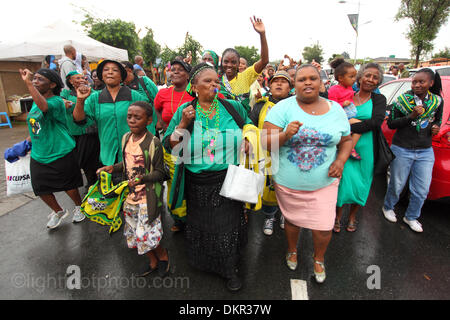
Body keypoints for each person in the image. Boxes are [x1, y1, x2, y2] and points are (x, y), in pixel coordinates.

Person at [163, 63, 253, 291]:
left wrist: (248, 138)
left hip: (228, 178)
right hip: (198, 183)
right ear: (194, 87)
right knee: (203, 225)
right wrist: (183, 124)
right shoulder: (185, 110)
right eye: (208, 81)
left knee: (226, 226)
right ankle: (206, 261)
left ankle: (230, 268)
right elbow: (171, 145)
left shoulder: (232, 107)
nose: (214, 85)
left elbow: (249, 124)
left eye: (216, 81)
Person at [262, 64, 352, 283]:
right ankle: (292, 250)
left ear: (321, 83)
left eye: (313, 78)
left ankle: (319, 258)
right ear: (295, 85)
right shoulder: (282, 108)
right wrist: (284, 135)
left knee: (323, 226)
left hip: (325, 182)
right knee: (292, 222)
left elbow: (346, 140)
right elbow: (265, 142)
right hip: (288, 183)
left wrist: (340, 160)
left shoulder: (336, 109)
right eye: (302, 79)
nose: (308, 82)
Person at [97, 101, 170, 277]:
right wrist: (112, 168)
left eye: (138, 117)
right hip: (130, 197)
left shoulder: (154, 143)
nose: (132, 120)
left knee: (146, 233)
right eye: (129, 116)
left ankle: (163, 256)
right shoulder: (126, 138)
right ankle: (152, 261)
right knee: (134, 233)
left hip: (148, 197)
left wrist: (142, 179)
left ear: (148, 120)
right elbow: (128, 164)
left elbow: (161, 173)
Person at [19, 68, 85, 229]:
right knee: (40, 188)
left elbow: (44, 108)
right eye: (34, 79)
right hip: (39, 153)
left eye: (40, 79)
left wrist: (28, 84)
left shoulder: (56, 101)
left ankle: (79, 207)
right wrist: (26, 142)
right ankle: (59, 211)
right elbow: (36, 123)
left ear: (52, 84)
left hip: (60, 151)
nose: (35, 81)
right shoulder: (36, 101)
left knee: (69, 185)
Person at [382, 68, 443, 233]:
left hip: (425, 150)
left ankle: (411, 217)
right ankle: (388, 207)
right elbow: (391, 124)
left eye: (421, 82)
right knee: (397, 184)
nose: (417, 85)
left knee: (421, 189)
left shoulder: (437, 101)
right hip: (402, 148)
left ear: (431, 83)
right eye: (414, 82)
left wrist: (436, 126)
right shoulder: (402, 100)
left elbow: (438, 119)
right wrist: (410, 117)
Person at [335, 63, 387, 232]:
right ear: (360, 77)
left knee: (362, 183)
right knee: (343, 182)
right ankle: (337, 216)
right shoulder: (348, 94)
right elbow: (334, 116)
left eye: (375, 77)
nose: (370, 80)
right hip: (345, 146)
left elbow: (376, 123)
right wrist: (348, 124)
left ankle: (352, 216)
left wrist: (349, 124)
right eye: (367, 75)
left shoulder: (379, 99)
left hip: (366, 148)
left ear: (378, 82)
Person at [72, 60, 149, 171]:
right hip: (107, 157)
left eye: (115, 70)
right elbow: (79, 121)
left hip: (136, 155)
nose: (110, 72)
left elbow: (148, 121)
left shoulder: (135, 96)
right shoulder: (94, 98)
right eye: (106, 70)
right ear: (101, 76)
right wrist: (80, 100)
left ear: (122, 76)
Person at [249, 70, 293, 235]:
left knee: (288, 187)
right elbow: (251, 126)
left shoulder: (297, 105)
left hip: (289, 155)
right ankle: (269, 216)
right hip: (266, 154)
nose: (279, 84)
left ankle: (285, 215)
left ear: (290, 87)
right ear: (269, 85)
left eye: (284, 81)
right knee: (268, 189)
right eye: (275, 81)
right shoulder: (261, 105)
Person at [61, 70, 101, 192]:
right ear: (71, 81)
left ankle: (96, 183)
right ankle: (90, 182)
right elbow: (60, 103)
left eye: (83, 78)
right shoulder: (66, 93)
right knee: (82, 161)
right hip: (74, 133)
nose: (82, 80)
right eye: (77, 78)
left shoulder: (93, 92)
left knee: (93, 159)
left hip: (90, 132)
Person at [219, 16, 269, 113]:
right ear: (221, 63)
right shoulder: (216, 81)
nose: (229, 65)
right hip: (222, 124)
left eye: (233, 62)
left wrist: (262, 34)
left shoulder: (246, 76)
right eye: (226, 61)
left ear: (238, 64)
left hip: (243, 124)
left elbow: (264, 61)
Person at [328, 58, 361, 160]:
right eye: (351, 77)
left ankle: (348, 148)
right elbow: (331, 105)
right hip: (341, 116)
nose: (354, 79)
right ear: (341, 78)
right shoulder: (334, 89)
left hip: (350, 113)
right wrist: (342, 104)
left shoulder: (351, 88)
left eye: (355, 76)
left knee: (354, 130)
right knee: (359, 126)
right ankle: (349, 149)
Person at [154, 60, 193, 131]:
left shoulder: (194, 94)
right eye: (173, 70)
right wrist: (160, 122)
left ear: (188, 75)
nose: (176, 72)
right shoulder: (162, 93)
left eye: (180, 70)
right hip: (168, 137)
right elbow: (156, 108)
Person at [122, 61, 159, 134]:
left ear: (129, 70)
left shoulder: (144, 81)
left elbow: (158, 100)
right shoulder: (120, 86)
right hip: (128, 130)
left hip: (149, 127)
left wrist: (158, 121)